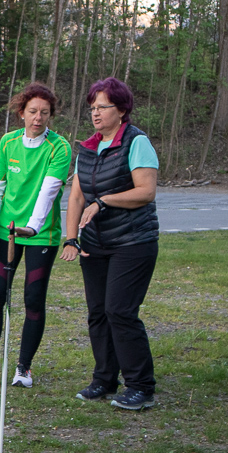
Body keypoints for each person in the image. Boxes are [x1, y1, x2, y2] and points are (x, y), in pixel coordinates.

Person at [61, 77, 160, 411]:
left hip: (133, 242)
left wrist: (103, 201)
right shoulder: (88, 148)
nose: (95, 113)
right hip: (95, 245)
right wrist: (71, 237)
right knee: (98, 313)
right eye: (92, 108)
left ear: (121, 109)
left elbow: (145, 191)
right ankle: (104, 379)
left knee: (120, 311)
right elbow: (76, 196)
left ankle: (141, 387)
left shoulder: (137, 142)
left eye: (102, 107)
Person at [0, 82, 72, 388]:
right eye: (32, 112)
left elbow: (49, 191)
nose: (38, 118)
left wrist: (34, 226)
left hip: (40, 235)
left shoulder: (60, 148)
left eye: (44, 112)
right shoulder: (8, 143)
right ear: (21, 113)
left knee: (33, 300)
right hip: (6, 233)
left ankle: (24, 368)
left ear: (51, 115)